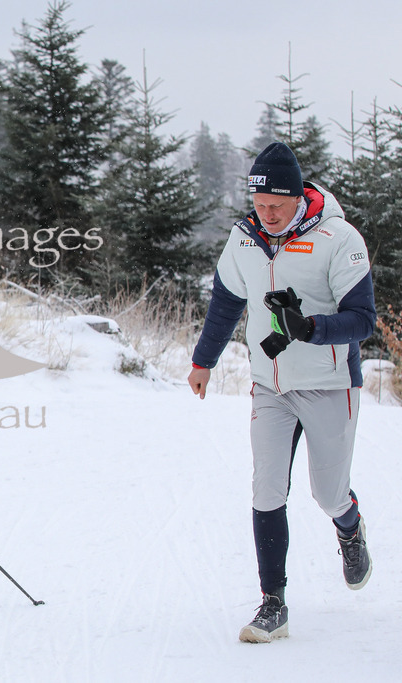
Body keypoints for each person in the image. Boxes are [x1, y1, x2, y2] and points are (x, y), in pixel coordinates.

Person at [187, 142, 375, 644]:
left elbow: (363, 320)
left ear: (298, 198)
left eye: (276, 205)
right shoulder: (244, 238)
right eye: (259, 204)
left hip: (330, 383)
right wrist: (203, 359)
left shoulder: (339, 238)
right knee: (267, 489)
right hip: (270, 385)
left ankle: (350, 527)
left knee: (327, 493)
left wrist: (310, 327)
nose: (266, 214)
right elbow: (226, 300)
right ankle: (274, 603)